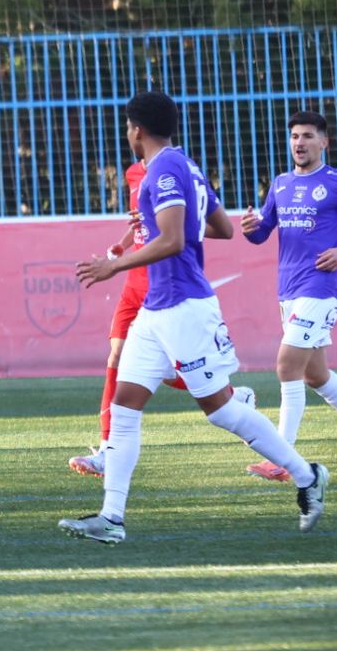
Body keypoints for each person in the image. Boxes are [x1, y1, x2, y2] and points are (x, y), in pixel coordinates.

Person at [65, 91, 330, 544]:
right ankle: (111, 518)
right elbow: (222, 228)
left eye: (128, 127)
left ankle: (307, 476)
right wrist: (170, 224)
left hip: (185, 307)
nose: (128, 134)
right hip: (157, 309)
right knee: (125, 406)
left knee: (220, 410)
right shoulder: (184, 165)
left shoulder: (164, 169)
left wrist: (115, 265)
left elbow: (172, 240)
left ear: (136, 130)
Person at [69, 159, 254, 476]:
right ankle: (107, 449)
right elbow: (143, 223)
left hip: (162, 283)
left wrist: (177, 225)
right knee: (117, 357)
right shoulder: (133, 172)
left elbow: (202, 227)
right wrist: (121, 246)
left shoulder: (176, 169)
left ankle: (231, 395)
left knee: (168, 369)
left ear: (140, 134)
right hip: (134, 283)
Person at [240, 110, 337, 480]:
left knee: (286, 365)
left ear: (324, 142)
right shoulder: (280, 184)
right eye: (294, 136)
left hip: (321, 288)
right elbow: (263, 233)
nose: (299, 143)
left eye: (307, 136)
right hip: (288, 290)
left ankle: (282, 457)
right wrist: (250, 228)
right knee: (314, 375)